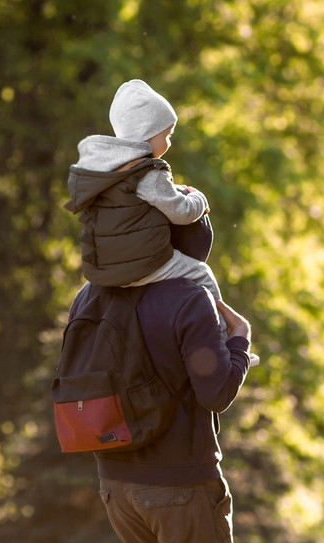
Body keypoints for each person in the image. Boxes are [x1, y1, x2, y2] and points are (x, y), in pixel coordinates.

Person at [66, 276, 252, 543]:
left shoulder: (91, 294)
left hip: (115, 481)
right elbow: (216, 392)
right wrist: (240, 342)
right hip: (180, 482)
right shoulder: (188, 296)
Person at [64, 78, 258, 364]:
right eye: (166, 135)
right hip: (143, 263)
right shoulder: (149, 173)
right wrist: (199, 199)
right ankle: (226, 343)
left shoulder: (107, 173)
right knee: (202, 275)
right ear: (147, 134)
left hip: (104, 267)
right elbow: (181, 212)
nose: (168, 142)